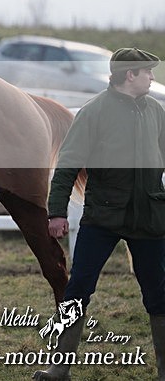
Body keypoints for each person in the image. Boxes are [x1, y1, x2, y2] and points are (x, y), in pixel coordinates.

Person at [34, 48, 165, 381]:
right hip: (102, 218)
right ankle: (58, 369)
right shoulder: (93, 112)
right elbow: (66, 166)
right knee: (78, 289)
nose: (152, 77)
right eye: (147, 72)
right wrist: (57, 213)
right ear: (129, 75)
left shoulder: (155, 111)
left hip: (149, 216)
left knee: (159, 294)